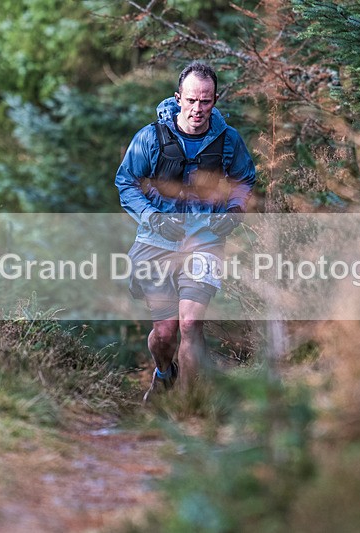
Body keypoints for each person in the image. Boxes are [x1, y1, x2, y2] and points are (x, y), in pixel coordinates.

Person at [115, 61, 256, 402]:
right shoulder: (150, 137)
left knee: (191, 324)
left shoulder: (228, 140)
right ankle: (164, 373)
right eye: (191, 100)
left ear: (215, 100)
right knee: (165, 333)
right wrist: (152, 217)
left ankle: (186, 407)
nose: (197, 109)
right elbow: (126, 182)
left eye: (205, 101)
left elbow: (244, 180)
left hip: (205, 240)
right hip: (156, 240)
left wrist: (234, 211)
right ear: (178, 98)